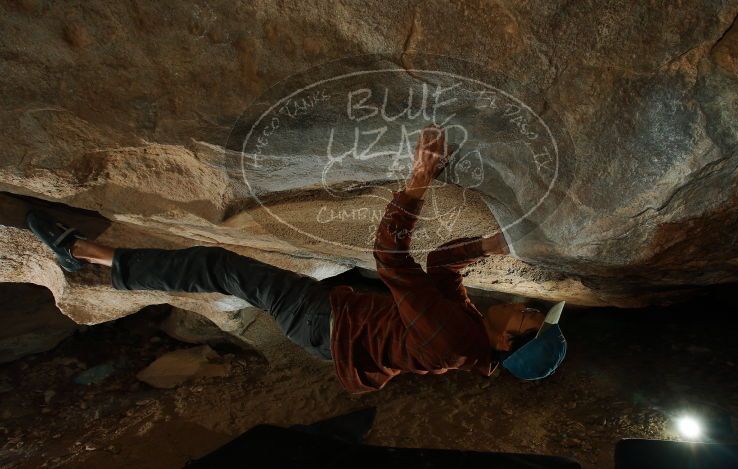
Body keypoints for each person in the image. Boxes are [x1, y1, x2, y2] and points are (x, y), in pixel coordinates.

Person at [27, 125, 565, 394]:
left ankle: (84, 256)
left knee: (219, 265)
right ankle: (92, 258)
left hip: (323, 324)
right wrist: (488, 246)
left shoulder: (454, 337)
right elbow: (444, 270)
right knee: (224, 270)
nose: (523, 305)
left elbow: (389, 257)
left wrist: (419, 179)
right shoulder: (471, 333)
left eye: (528, 318)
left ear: (507, 342)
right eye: (532, 310)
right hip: (334, 322)